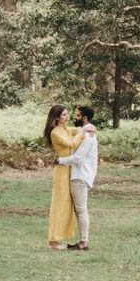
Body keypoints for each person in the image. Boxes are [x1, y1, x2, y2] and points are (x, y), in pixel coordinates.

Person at [58, 105, 99, 250]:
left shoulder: (88, 135)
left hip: (81, 174)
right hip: (78, 174)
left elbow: (78, 158)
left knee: (81, 209)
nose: (75, 118)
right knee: (79, 209)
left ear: (85, 118)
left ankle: (83, 242)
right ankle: (82, 241)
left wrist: (60, 160)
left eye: (77, 115)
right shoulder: (84, 131)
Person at [43, 104, 83, 249]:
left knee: (66, 205)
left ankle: (57, 238)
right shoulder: (56, 132)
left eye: (67, 114)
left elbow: (77, 130)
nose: (67, 117)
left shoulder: (65, 129)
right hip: (61, 171)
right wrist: (83, 134)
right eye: (64, 115)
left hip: (69, 169)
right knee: (59, 205)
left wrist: (88, 127)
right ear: (57, 117)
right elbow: (71, 144)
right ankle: (52, 241)